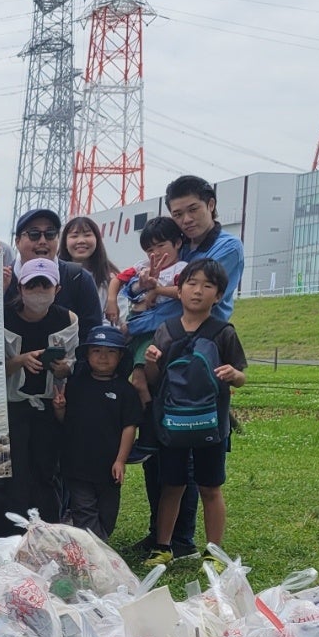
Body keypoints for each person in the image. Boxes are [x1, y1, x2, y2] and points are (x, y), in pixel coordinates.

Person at [142, 259, 247, 566]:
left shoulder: (223, 332)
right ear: (179, 289)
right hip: (172, 423)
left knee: (210, 487)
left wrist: (232, 374)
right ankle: (162, 546)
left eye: (208, 286)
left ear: (218, 296)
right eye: (191, 283)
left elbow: (241, 376)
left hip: (211, 424)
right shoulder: (166, 330)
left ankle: (213, 551)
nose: (198, 291)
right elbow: (153, 379)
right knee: (171, 485)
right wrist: (150, 359)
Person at [119, 215, 196, 557]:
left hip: (174, 344)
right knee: (140, 380)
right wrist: (141, 286)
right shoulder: (141, 268)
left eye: (161, 245)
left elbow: (185, 292)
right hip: (144, 334)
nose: (156, 253)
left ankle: (180, 539)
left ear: (178, 242)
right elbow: (126, 288)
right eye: (150, 248)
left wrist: (154, 289)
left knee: (181, 456)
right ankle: (146, 432)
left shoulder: (187, 269)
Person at [0, 257, 75, 532]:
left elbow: (70, 367)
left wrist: (63, 369)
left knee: (46, 469)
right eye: (31, 285)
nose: (38, 292)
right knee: (10, 471)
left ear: (57, 289)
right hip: (9, 406)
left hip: (48, 406)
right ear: (20, 287)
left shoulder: (67, 319)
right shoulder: (0, 316)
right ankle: (5, 531)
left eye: (45, 285)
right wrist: (20, 360)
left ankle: (48, 529)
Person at [53, 327, 140, 539]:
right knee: (84, 511)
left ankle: (98, 545)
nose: (103, 357)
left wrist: (120, 461)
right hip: (77, 465)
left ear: (120, 356)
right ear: (87, 355)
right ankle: (95, 551)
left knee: (108, 514)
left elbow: (130, 427)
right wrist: (60, 409)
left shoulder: (125, 390)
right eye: (97, 350)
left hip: (109, 467)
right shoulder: (75, 385)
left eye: (110, 352)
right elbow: (65, 423)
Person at [10, 208, 102, 334]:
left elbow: (92, 334)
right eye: (34, 234)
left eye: (50, 234)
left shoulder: (78, 278)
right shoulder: (2, 279)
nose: (42, 241)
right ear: (17, 241)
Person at [167, 174, 245, 319]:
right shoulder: (177, 245)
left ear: (211, 205)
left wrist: (137, 324)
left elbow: (193, 301)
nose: (187, 220)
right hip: (165, 333)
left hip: (203, 337)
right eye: (178, 214)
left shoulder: (229, 247)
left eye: (193, 209)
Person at [60, 215, 117, 318]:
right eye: (74, 236)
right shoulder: (55, 275)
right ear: (64, 242)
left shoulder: (111, 279)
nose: (81, 241)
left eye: (87, 235)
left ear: (97, 240)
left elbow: (118, 322)